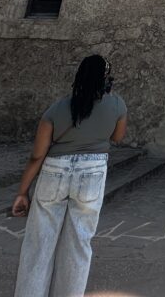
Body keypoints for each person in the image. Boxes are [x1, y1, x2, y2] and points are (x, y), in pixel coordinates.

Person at [12, 55, 127, 297]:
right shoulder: (117, 105)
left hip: (55, 170)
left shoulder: (57, 109)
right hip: (93, 172)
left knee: (38, 245)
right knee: (79, 244)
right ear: (107, 81)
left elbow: (37, 155)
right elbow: (117, 138)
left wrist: (23, 192)